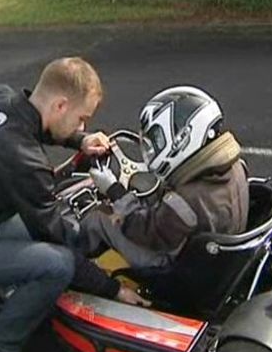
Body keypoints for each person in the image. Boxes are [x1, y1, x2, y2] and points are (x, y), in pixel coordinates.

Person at [0, 57, 147, 352]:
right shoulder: (25, 160)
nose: (83, 125)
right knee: (58, 264)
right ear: (61, 106)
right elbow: (58, 238)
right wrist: (112, 289)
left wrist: (80, 140)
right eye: (81, 119)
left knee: (38, 235)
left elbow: (32, 126)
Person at [80, 85, 250, 268]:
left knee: (98, 218)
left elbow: (143, 232)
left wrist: (115, 190)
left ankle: (77, 271)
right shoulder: (236, 167)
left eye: (157, 140)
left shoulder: (187, 200)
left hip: (172, 266)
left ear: (183, 138)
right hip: (214, 256)